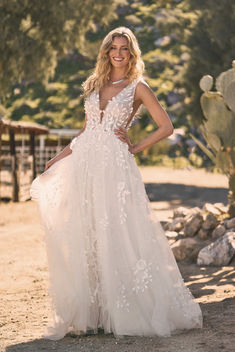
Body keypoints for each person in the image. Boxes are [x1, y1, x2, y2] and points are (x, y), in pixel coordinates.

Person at [30, 26, 203, 341]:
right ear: (107, 51)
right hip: (85, 164)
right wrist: (58, 158)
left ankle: (122, 313)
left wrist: (136, 147)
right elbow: (86, 132)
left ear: (131, 52)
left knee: (117, 233)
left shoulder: (138, 86)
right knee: (89, 233)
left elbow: (166, 126)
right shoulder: (95, 84)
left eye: (125, 48)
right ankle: (94, 312)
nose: (119, 53)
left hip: (115, 167)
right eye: (114, 48)